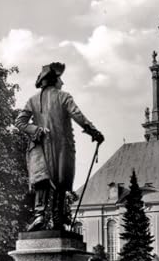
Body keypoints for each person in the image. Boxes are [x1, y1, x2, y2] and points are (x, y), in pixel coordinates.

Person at [15, 62, 104, 231]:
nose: (62, 83)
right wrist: (95, 132)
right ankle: (57, 218)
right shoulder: (64, 96)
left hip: (40, 145)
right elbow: (78, 116)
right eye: (60, 79)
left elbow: (20, 122)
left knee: (43, 180)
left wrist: (35, 130)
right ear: (54, 80)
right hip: (61, 147)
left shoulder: (32, 100)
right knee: (60, 182)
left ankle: (40, 215)